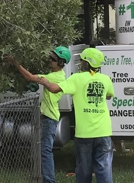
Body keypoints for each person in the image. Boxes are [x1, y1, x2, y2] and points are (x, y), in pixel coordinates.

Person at [38, 47, 115, 183]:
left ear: (86, 63)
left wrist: (45, 81)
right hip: (104, 132)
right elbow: (108, 96)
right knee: (104, 169)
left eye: (82, 60)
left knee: (84, 171)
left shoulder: (76, 79)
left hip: (84, 134)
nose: (80, 62)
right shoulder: (106, 79)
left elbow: (54, 89)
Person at [6, 46, 71, 183]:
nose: (50, 60)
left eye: (53, 59)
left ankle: (49, 180)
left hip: (49, 118)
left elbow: (29, 77)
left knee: (45, 151)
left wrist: (15, 62)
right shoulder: (58, 74)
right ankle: (41, 178)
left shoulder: (53, 77)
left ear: (60, 62)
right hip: (48, 117)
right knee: (41, 150)